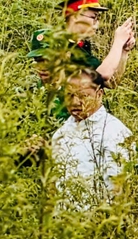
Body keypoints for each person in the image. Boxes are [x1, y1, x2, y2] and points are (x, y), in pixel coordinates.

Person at [49, 67, 133, 206]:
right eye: (70, 95)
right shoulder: (60, 134)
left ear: (99, 94)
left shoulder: (114, 132)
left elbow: (119, 189)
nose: (75, 102)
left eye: (83, 96)